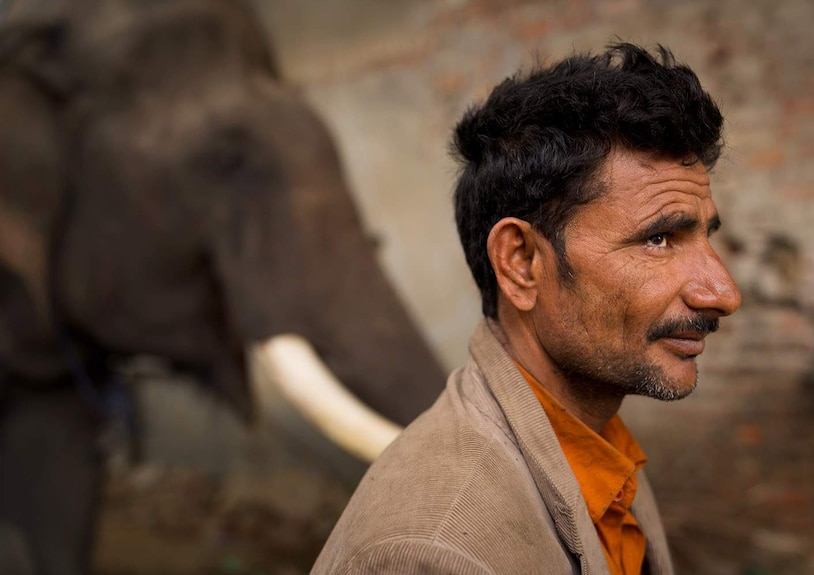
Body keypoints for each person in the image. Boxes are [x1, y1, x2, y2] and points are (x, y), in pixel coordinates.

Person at [311, 42, 742, 575]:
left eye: (704, 236)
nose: (723, 293)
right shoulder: (432, 549)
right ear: (521, 262)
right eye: (658, 240)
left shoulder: (598, 440)